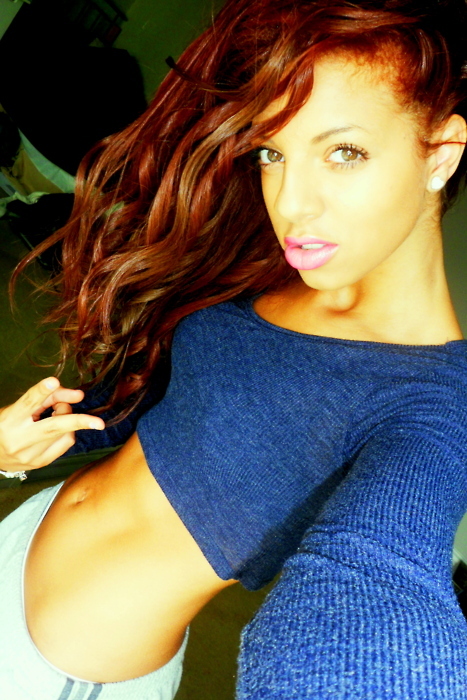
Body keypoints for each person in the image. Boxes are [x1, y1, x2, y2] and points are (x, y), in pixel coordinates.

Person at [0, 0, 467, 698]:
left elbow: (379, 579)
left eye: (343, 151)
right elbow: (169, 407)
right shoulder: (282, 270)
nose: (292, 204)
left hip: (58, 673)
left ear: (440, 154)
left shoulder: (435, 407)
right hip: (22, 532)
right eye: (273, 153)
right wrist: (29, 442)